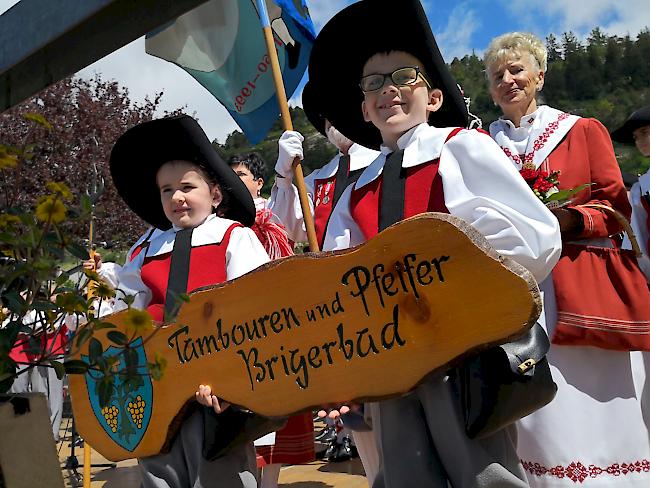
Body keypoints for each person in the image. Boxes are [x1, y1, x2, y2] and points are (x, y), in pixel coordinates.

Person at [312, 1, 562, 486]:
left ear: (432, 98)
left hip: (460, 351)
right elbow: (338, 277)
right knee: (405, 471)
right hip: (389, 360)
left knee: (480, 469)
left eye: (403, 76)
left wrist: (459, 283)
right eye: (373, 83)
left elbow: (535, 237)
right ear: (364, 108)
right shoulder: (355, 192)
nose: (388, 90)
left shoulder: (460, 148)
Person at [485, 32, 650, 486]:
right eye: (498, 75)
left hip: (580, 289)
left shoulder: (581, 130)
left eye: (516, 70)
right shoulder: (479, 145)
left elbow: (616, 209)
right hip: (515, 294)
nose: (507, 80)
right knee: (532, 409)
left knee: (593, 402)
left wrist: (565, 221)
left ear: (539, 75)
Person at [99, 114, 270, 488]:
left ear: (215, 194)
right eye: (165, 190)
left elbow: (254, 306)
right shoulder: (145, 251)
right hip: (159, 388)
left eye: (187, 187)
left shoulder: (233, 238)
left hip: (217, 391)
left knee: (221, 474)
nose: (176, 197)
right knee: (161, 473)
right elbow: (127, 310)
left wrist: (235, 378)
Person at [268, 80, 381, 480]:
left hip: (387, 303)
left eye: (342, 111)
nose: (336, 124)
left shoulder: (388, 158)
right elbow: (280, 228)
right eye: (327, 117)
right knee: (365, 435)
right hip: (339, 317)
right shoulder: (317, 180)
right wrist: (283, 175)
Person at [226, 152, 315, 488]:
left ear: (258, 182)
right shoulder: (223, 220)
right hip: (239, 326)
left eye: (242, 175)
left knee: (278, 412)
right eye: (230, 175)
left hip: (277, 321)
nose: (235, 181)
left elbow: (291, 227)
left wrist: (284, 175)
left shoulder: (271, 211)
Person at [268, 81, 379, 249]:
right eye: (325, 112)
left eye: (339, 107)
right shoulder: (317, 179)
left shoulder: (384, 160)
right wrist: (283, 175)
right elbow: (289, 228)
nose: (330, 116)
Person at [611, 106, 650, 281]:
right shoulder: (641, 188)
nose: (640, 141)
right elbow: (639, 236)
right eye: (636, 137)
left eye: (645, 132)